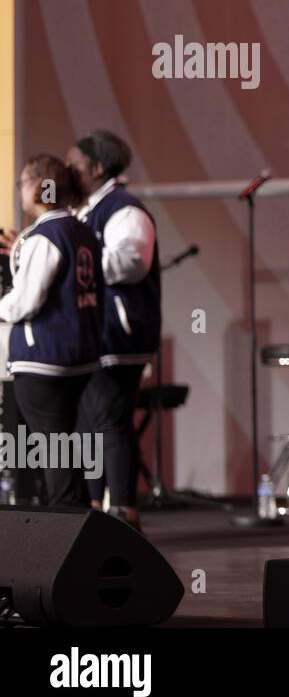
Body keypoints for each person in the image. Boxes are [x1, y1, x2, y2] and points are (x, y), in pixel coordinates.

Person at [65, 131, 161, 532]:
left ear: (98, 167)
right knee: (90, 424)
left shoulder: (126, 210)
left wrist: (70, 257)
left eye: (74, 164)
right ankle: (95, 512)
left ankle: (123, 512)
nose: (67, 171)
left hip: (119, 338)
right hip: (93, 338)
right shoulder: (88, 210)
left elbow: (131, 264)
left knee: (109, 423)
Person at [0, 155, 104, 507]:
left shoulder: (45, 236)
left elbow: (26, 301)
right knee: (63, 444)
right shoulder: (80, 230)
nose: (20, 191)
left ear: (39, 186)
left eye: (22, 183)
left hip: (45, 359)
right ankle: (75, 517)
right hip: (77, 357)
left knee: (53, 447)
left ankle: (68, 529)